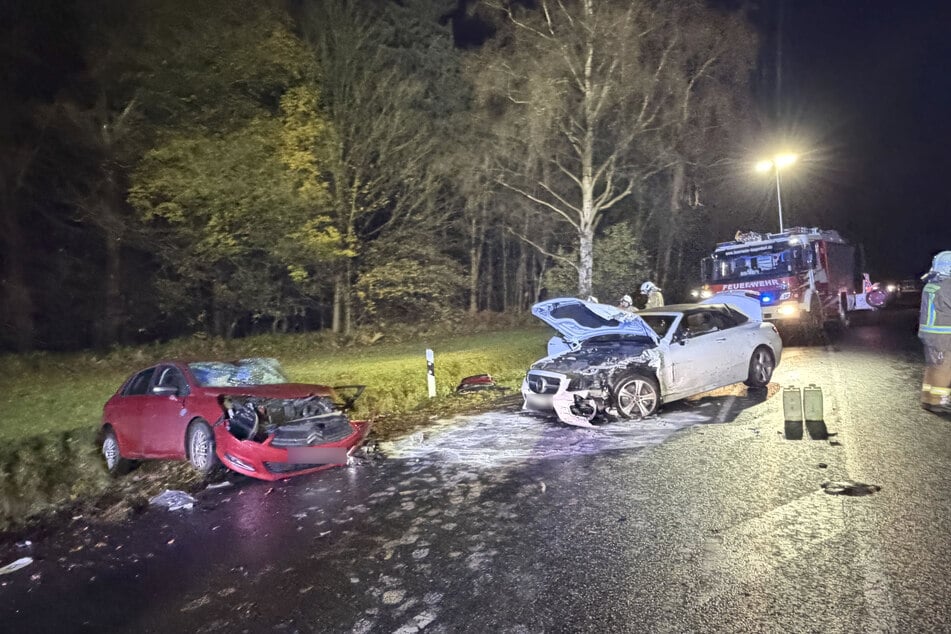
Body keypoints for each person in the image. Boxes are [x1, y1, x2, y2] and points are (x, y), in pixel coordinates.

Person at [919, 251, 951, 414]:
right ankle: (938, 401)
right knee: (944, 368)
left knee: (933, 366)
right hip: (943, 336)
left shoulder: (932, 284)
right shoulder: (946, 285)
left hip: (930, 335)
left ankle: (928, 398)